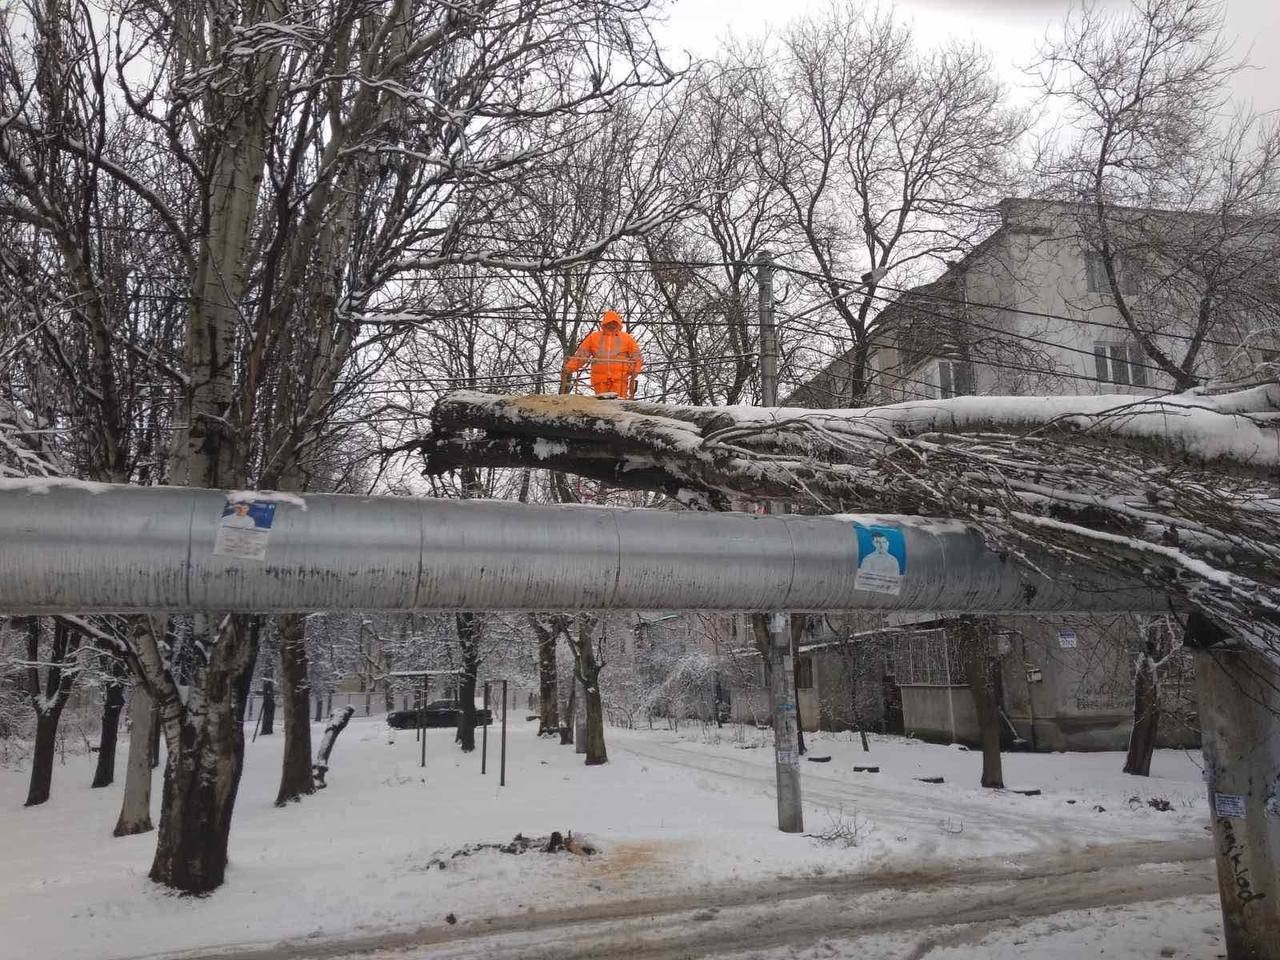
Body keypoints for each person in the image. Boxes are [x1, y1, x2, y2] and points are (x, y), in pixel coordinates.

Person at [561, 309, 643, 398]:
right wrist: (569, 368)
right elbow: (582, 355)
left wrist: (636, 370)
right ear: (604, 323)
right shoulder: (594, 337)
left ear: (618, 323)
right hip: (600, 380)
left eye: (614, 323)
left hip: (620, 379)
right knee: (602, 404)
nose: (611, 325)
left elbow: (637, 356)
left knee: (619, 404)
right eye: (609, 323)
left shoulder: (626, 338)